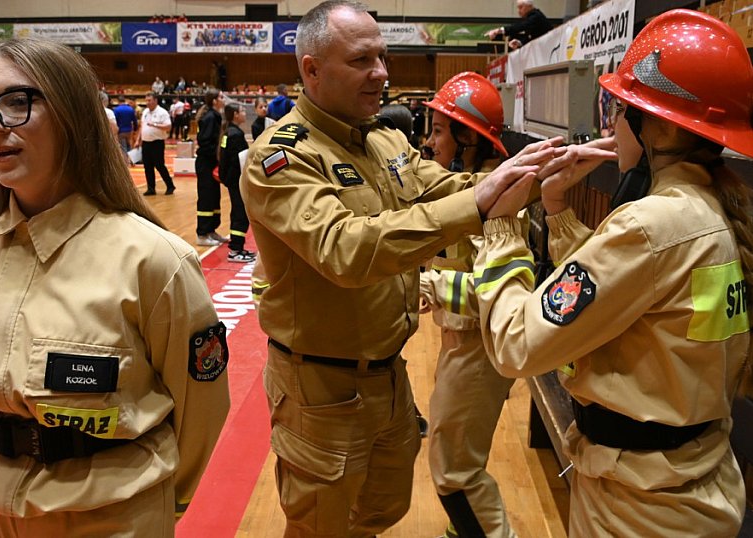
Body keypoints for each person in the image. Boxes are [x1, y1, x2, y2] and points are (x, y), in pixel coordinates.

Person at [240, 2, 575, 535]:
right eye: (362, 60)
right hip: (320, 388)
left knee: (384, 507)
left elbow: (447, 189)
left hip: (387, 375)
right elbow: (343, 249)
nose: (382, 73)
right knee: (319, 527)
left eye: (383, 57)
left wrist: (534, 178)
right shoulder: (281, 158)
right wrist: (482, 203)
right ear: (311, 70)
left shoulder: (385, 139)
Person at [476, 9, 753, 537]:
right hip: (690, 487)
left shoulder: (655, 223)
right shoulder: (710, 209)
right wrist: (556, 209)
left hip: (638, 505)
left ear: (661, 126)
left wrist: (501, 231)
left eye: (621, 108)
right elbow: (635, 297)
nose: (611, 124)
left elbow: (518, 344)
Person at [0, 37, 230, 535]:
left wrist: (162, 500)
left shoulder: (154, 260)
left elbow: (200, 412)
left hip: (108, 517)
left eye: (16, 102)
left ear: (73, 114)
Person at [419, 72, 516, 538]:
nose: (429, 140)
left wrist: (426, 285)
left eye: (439, 130)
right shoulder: (470, 188)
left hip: (480, 348)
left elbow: (491, 293)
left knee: (453, 470)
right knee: (454, 456)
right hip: (461, 343)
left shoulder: (498, 200)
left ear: (467, 138)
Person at [219, 102, 255, 262]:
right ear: (235, 115)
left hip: (232, 180)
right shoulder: (235, 134)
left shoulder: (229, 132)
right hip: (237, 181)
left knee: (238, 212)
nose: (244, 114)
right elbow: (237, 161)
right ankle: (235, 250)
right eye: (242, 111)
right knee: (240, 214)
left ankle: (238, 247)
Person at [195, 89, 228, 246]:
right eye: (221, 97)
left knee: (214, 197)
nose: (223, 99)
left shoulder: (215, 116)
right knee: (206, 198)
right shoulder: (210, 118)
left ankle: (211, 230)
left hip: (212, 162)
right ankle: (202, 234)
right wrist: (216, 157)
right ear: (214, 101)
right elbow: (205, 142)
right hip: (206, 163)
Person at [135, 92, 175, 195]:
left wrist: (155, 125)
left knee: (159, 165)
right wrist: (138, 140)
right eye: (146, 100)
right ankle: (151, 188)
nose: (147, 103)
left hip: (157, 143)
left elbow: (168, 127)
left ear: (155, 100)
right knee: (147, 166)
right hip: (146, 143)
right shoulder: (145, 112)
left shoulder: (162, 112)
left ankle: (170, 185)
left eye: (149, 100)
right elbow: (142, 126)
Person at [487, 0, 553, 50]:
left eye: (521, 7)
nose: (519, 11)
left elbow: (520, 26)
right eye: (518, 8)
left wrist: (499, 30)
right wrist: (519, 42)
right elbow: (531, 38)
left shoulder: (536, 16)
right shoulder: (531, 18)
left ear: (529, 6)